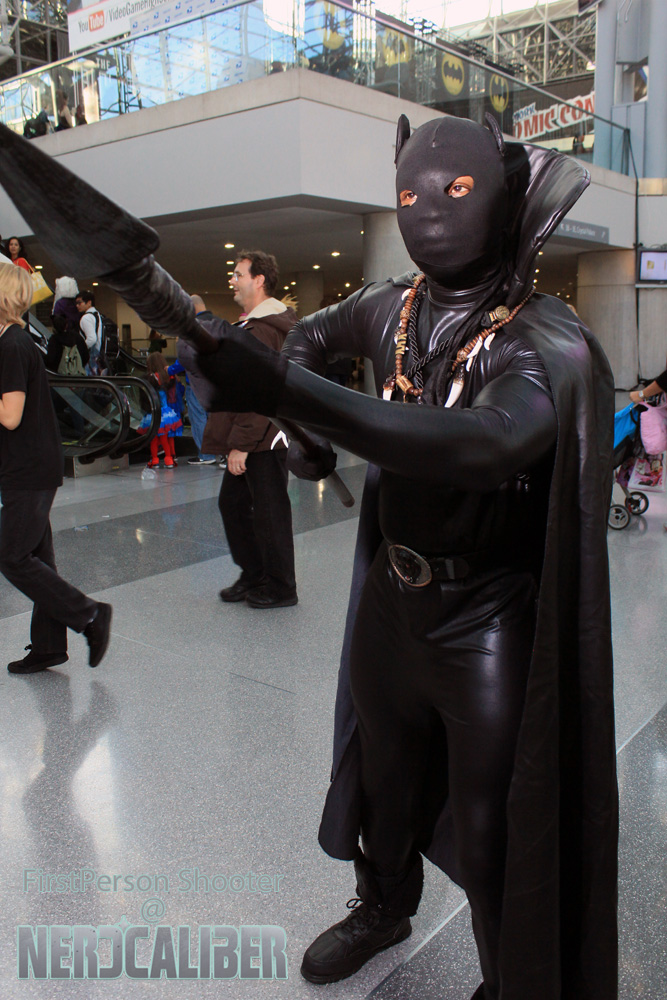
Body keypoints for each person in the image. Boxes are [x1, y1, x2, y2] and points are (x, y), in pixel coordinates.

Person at [192, 115, 617, 998]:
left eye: (454, 190)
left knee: (494, 825)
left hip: (486, 618)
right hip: (393, 601)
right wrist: (300, 426)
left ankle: (510, 978)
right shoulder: (391, 305)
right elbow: (307, 339)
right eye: (407, 194)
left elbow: (484, 443)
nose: (426, 210)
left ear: (504, 195)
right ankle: (383, 906)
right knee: (382, 784)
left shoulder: (544, 339)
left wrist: (294, 396)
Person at [0, 263, 111, 673]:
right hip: (30, 464)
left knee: (12, 556)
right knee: (38, 558)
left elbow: (10, 415)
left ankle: (89, 614)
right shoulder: (12, 342)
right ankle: (49, 646)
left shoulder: (13, 345)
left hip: (27, 468)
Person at [181, 250, 298, 609]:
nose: (232, 280)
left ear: (259, 280)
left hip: (263, 437)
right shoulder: (254, 325)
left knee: (269, 512)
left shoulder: (263, 329)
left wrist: (242, 444)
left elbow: (260, 390)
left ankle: (281, 586)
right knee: (234, 505)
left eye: (238, 274)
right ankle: (255, 573)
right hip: (254, 436)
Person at [167, 295, 218, 466]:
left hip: (196, 383)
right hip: (214, 382)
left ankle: (206, 455)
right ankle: (221, 453)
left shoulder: (191, 329)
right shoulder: (217, 324)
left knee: (198, 418)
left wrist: (170, 370)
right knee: (214, 418)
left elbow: (185, 358)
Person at [140, 352, 183, 468]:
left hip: (153, 412)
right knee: (165, 438)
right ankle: (169, 459)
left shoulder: (149, 378)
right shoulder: (167, 377)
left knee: (153, 439)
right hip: (165, 412)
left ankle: (155, 460)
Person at [75, 289, 104, 373]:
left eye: (79, 303)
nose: (77, 305)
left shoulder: (86, 318)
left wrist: (80, 349)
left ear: (89, 303)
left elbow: (92, 339)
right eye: (76, 303)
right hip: (98, 353)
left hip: (90, 354)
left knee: (88, 378)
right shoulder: (97, 315)